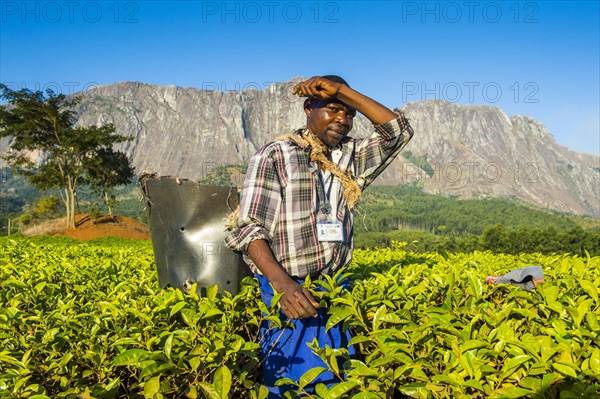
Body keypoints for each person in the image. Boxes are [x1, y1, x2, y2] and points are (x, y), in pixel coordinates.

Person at [225, 75, 414, 397]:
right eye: (333, 110)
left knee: (340, 377)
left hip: (336, 286)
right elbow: (250, 228)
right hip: (289, 285)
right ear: (309, 108)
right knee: (293, 380)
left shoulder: (350, 156)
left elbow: (398, 131)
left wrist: (342, 92)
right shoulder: (275, 154)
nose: (343, 119)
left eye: (349, 113)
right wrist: (283, 285)